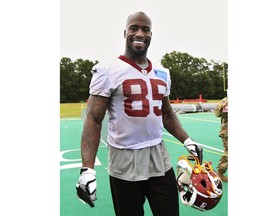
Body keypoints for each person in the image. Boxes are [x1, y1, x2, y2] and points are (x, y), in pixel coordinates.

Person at [75, 11, 203, 216]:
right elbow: (93, 118)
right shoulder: (108, 70)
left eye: (145, 29)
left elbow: (167, 113)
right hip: (124, 158)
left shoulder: (162, 72)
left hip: (158, 156)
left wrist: (187, 140)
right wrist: (87, 169)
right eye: (134, 28)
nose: (139, 33)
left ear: (151, 34)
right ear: (125, 32)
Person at [214, 96, 228, 182]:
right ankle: (220, 172)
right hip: (227, 132)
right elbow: (217, 113)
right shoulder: (226, 100)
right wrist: (223, 107)